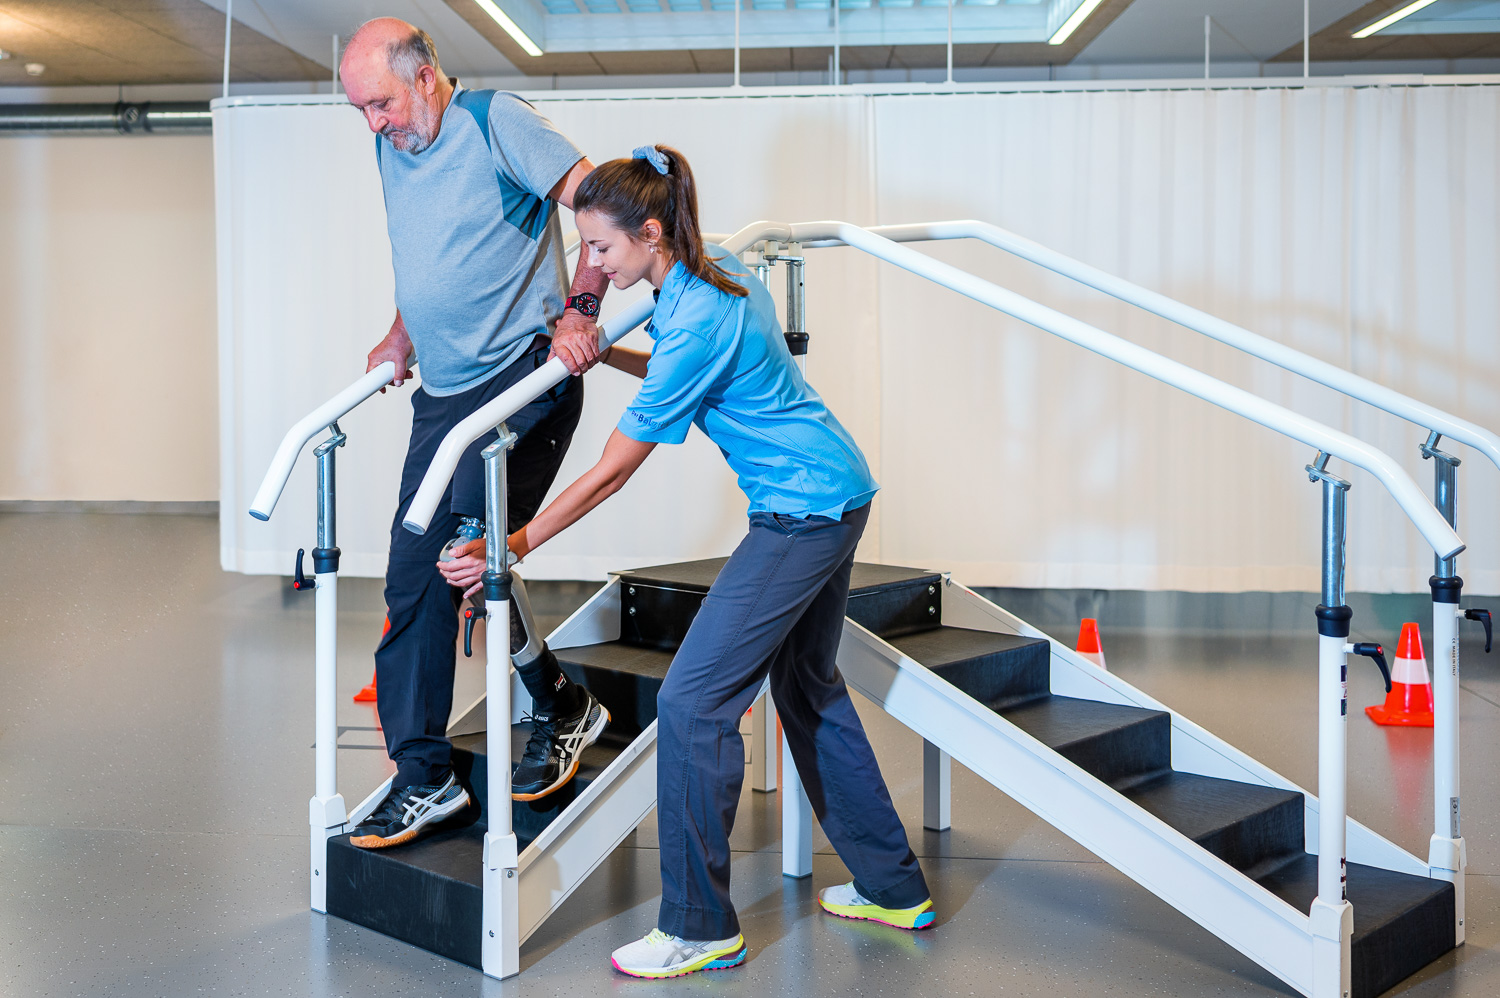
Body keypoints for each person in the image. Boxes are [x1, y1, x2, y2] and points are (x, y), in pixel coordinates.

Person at [442, 144, 935, 978]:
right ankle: (894, 887)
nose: (592, 266)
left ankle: (700, 927)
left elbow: (611, 472)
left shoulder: (698, 312)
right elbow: (686, 368)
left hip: (802, 515)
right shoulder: (716, 272)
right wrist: (606, 352)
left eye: (601, 246)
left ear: (650, 233)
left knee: (693, 703)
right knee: (807, 686)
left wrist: (514, 542)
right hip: (833, 491)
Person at [336, 19, 611, 850]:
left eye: (381, 103)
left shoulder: (497, 123)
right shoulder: (393, 147)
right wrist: (401, 334)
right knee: (413, 579)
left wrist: (582, 309)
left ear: (425, 78)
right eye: (361, 110)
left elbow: (601, 204)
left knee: (465, 552)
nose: (374, 124)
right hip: (444, 398)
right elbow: (424, 258)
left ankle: (558, 708)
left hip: (522, 377)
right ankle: (426, 778)